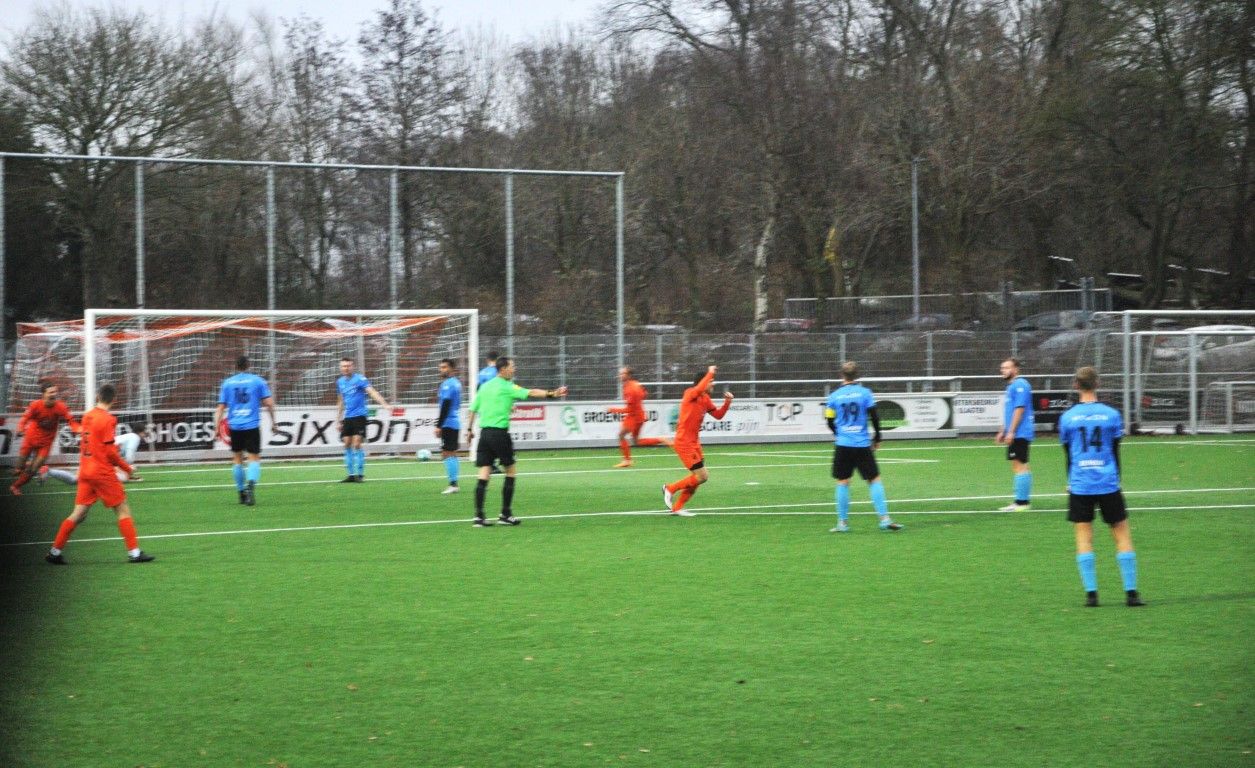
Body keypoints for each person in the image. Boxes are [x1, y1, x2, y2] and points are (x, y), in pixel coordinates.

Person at [1058, 367, 1145, 608]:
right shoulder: (1111, 415)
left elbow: (1068, 454)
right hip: (1108, 483)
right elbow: (1116, 450)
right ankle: (1131, 594)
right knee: (1121, 534)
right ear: (1098, 384)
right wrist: (1117, 478)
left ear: (1076, 385)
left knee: (1084, 537)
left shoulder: (1067, 418)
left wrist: (1070, 480)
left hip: (1080, 484)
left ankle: (1092, 595)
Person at [44, 384, 154, 565]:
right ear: (114, 400)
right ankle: (135, 553)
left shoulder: (87, 416)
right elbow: (110, 452)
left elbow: (85, 444)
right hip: (101, 472)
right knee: (122, 509)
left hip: (86, 470)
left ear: (97, 397)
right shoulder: (108, 419)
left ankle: (54, 552)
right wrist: (126, 468)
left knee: (78, 514)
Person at [464, 357, 567, 527]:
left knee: (484, 473)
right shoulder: (507, 386)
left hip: (485, 435)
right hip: (499, 434)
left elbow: (472, 409)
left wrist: (469, 430)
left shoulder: (485, 386)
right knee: (510, 471)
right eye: (512, 366)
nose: (514, 369)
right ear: (503, 369)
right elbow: (531, 392)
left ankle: (479, 516)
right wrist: (552, 393)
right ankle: (505, 514)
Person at [824, 362, 903, 532]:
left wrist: (839, 434)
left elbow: (829, 421)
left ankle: (842, 523)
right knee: (874, 479)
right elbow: (874, 416)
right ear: (856, 375)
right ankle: (884, 519)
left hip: (843, 444)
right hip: (862, 444)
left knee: (843, 481)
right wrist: (877, 437)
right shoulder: (865, 393)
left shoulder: (833, 396)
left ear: (842, 375)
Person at [661, 365, 733, 517]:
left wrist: (727, 402)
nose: (713, 384)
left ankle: (677, 508)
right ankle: (670, 489)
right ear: (703, 382)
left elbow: (718, 415)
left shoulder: (705, 399)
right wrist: (710, 372)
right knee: (702, 476)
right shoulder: (690, 393)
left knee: (699, 478)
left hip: (694, 443)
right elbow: (699, 388)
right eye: (711, 381)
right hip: (684, 442)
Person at [214, 355, 276, 506]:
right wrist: (274, 422)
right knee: (254, 458)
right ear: (249, 365)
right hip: (252, 426)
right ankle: (250, 487)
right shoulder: (258, 381)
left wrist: (216, 428)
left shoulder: (227, 383)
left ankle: (241, 492)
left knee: (237, 459)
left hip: (235, 426)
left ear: (236, 367)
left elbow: (220, 408)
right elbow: (269, 403)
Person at [10, 380, 79, 496]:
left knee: (34, 469)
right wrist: (20, 428)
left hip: (46, 443)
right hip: (30, 439)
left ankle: (15, 486)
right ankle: (21, 467)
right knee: (17, 468)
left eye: (55, 392)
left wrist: (78, 429)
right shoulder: (35, 405)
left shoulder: (61, 407)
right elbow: (24, 419)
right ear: (44, 394)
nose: (54, 394)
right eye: (51, 392)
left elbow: (71, 421)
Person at [335, 357, 392, 483]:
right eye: (343, 366)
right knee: (347, 444)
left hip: (360, 416)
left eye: (348, 366)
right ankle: (351, 475)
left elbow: (372, 392)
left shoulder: (360, 379)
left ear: (352, 367)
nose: (346, 368)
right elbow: (340, 401)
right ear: (340, 368)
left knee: (356, 443)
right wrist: (338, 420)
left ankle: (360, 475)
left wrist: (385, 404)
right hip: (348, 417)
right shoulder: (340, 382)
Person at [609, 366, 670, 468]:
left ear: (628, 375)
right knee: (636, 441)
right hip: (637, 415)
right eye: (620, 373)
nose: (619, 376)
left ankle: (627, 460)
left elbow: (628, 409)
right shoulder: (635, 384)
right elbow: (645, 394)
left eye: (622, 374)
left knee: (621, 435)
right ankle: (660, 439)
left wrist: (613, 410)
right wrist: (637, 402)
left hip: (634, 418)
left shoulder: (630, 389)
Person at [994, 357, 1034, 511]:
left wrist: (1011, 431)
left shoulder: (1020, 385)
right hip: (1017, 432)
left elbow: (1019, 409)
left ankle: (1021, 503)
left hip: (1020, 432)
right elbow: (1010, 412)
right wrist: (1003, 430)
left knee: (1019, 465)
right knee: (1021, 465)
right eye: (1002, 368)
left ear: (1016, 370)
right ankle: (1023, 501)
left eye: (1007, 368)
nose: (1003, 370)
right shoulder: (1011, 387)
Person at [46, 430, 144, 485]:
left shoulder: (117, 443)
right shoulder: (133, 438)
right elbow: (125, 457)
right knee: (76, 480)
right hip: (97, 461)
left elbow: (116, 462)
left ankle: (48, 471)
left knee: (75, 480)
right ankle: (48, 471)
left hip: (94, 458)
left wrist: (128, 470)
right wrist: (129, 468)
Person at [434, 358, 463, 494]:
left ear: (452, 368)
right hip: (454, 422)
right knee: (451, 453)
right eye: (440, 367)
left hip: (448, 423)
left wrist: (439, 425)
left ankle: (453, 484)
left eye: (444, 367)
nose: (441, 370)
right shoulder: (456, 383)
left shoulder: (447, 384)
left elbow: (445, 405)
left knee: (447, 453)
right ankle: (454, 483)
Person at [477, 351, 503, 474]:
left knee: (486, 433)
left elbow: (478, 389)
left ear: (487, 360)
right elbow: (499, 388)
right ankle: (499, 460)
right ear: (497, 360)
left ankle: (490, 463)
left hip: (483, 407)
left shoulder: (481, 373)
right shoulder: (497, 372)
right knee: (498, 433)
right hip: (495, 407)